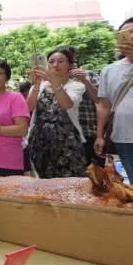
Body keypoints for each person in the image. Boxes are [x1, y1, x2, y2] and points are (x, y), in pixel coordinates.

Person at [95, 16, 133, 185]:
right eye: (127, 33)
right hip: (124, 137)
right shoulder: (109, 70)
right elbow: (104, 105)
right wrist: (100, 135)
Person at [28, 47, 86, 178]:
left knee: (69, 182)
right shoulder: (39, 86)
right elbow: (28, 108)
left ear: (70, 65)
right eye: (51, 61)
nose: (55, 65)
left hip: (67, 143)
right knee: (42, 182)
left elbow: (66, 104)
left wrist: (55, 83)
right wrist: (36, 84)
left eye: (61, 61)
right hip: (39, 141)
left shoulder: (76, 86)